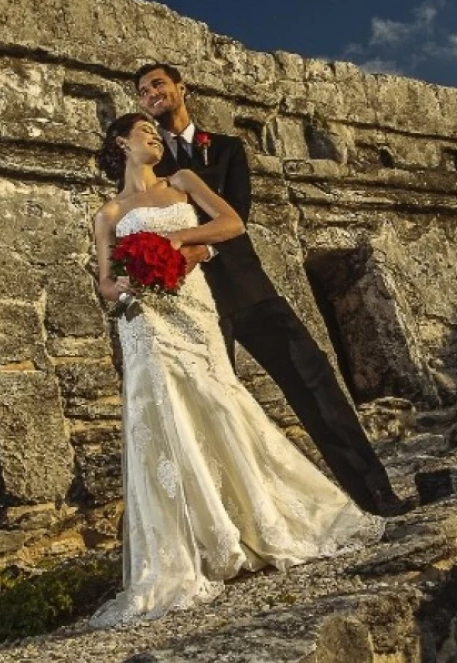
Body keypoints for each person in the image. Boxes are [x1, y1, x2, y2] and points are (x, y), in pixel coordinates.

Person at [88, 113, 383, 627]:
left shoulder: (183, 182)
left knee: (220, 397)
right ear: (121, 142)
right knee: (164, 416)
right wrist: (130, 283)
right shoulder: (109, 212)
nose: (155, 137)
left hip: (191, 306)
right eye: (145, 132)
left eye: (158, 133)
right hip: (146, 321)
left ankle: (258, 521)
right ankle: (198, 543)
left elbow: (230, 223)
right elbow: (106, 285)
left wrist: (175, 245)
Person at [133, 63, 409, 517]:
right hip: (189, 300)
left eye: (158, 84)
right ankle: (231, 523)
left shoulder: (226, 149)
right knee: (205, 409)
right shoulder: (148, 163)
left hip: (248, 288)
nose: (152, 95)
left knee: (314, 381)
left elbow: (236, 215)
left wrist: (198, 249)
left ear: (181, 88)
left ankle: (376, 495)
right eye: (143, 93)